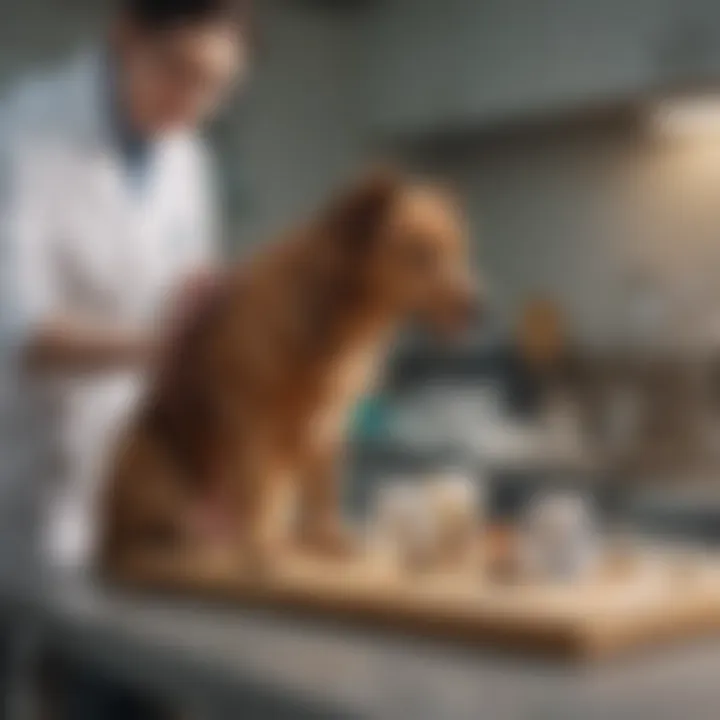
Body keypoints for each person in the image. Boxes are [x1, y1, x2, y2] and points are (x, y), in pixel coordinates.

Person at [0, 0, 250, 714]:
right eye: (179, 71)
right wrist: (159, 346)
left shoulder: (189, 160)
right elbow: (23, 329)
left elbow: (190, 329)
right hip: (16, 478)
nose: (194, 102)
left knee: (124, 692)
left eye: (217, 87)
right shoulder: (25, 127)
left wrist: (213, 478)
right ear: (124, 35)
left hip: (121, 496)